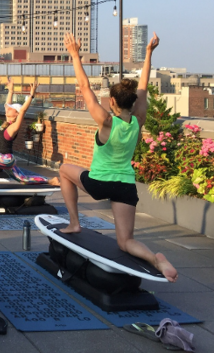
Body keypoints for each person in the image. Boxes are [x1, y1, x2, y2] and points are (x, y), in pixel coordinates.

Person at [57, 32, 177, 282]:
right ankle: (156, 260)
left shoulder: (107, 122)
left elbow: (84, 87)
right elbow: (143, 88)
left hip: (99, 183)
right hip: (125, 186)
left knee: (64, 170)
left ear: (111, 101)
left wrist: (75, 54)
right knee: (126, 241)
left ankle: (74, 222)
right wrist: (148, 53)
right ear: (132, 103)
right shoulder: (137, 121)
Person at [0, 79, 58, 187]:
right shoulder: (5, 123)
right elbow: (7, 104)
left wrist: (31, 96)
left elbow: (22, 110)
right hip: (4, 160)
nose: (8, 109)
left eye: (11, 109)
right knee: (23, 179)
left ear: (16, 114)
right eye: (8, 109)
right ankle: (51, 180)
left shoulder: (13, 127)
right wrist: (11, 91)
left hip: (6, 159)